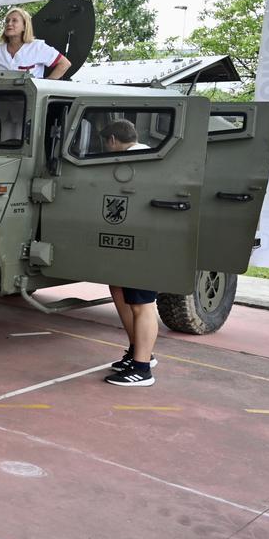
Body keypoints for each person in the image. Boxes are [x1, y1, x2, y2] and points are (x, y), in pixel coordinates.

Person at [99, 120, 158, 387]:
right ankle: (137, 352)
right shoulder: (142, 156)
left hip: (145, 241)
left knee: (142, 304)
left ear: (112, 140)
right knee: (120, 291)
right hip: (132, 239)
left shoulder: (142, 161)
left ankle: (143, 368)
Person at [0, 7, 72, 79]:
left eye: (14, 21)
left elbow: (64, 64)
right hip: (1, 95)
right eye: (7, 21)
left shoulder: (37, 47)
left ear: (24, 26)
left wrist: (47, 84)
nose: (9, 24)